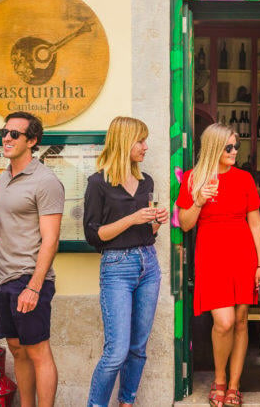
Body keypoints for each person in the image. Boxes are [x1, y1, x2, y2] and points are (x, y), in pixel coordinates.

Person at [176, 123, 260, 407]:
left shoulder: (244, 179)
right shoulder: (192, 179)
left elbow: (255, 223)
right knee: (224, 322)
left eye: (236, 146)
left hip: (243, 254)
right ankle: (219, 379)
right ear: (214, 146)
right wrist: (200, 201)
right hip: (211, 256)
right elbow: (186, 224)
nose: (234, 151)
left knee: (240, 322)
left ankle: (234, 385)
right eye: (229, 147)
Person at [0, 111, 64, 407]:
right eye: (4, 132)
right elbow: (12, 226)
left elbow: (50, 239)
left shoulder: (45, 181)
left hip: (29, 278)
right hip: (3, 276)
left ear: (32, 141)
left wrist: (35, 286)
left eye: (15, 134)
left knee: (38, 351)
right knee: (17, 349)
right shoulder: (5, 176)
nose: (6, 138)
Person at [83, 117, 167, 407]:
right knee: (116, 352)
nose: (145, 147)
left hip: (148, 263)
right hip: (117, 267)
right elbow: (94, 236)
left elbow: (148, 234)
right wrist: (133, 218)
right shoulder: (98, 183)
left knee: (138, 348)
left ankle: (126, 402)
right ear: (124, 142)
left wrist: (156, 223)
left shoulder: (147, 182)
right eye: (140, 141)